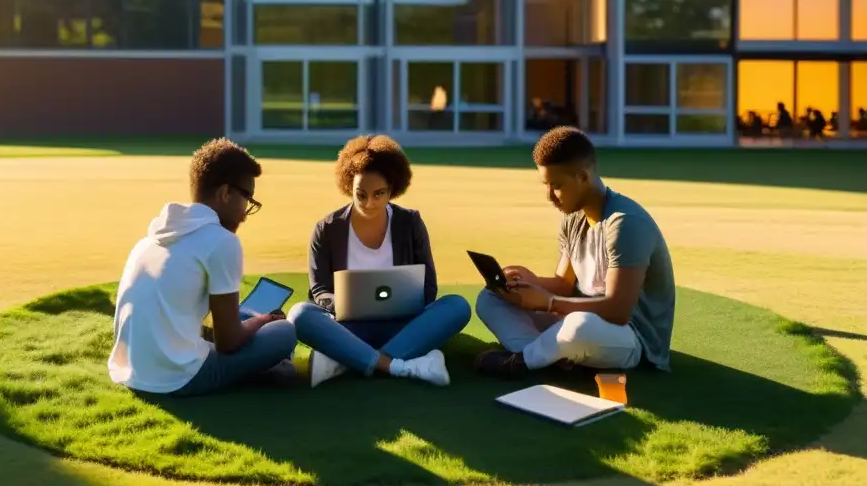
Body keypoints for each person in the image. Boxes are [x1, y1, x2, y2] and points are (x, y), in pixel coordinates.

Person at [475, 126, 675, 377]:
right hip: (578, 317)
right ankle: (551, 357)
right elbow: (564, 284)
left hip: (632, 339)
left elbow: (618, 311)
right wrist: (530, 281)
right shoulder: (574, 218)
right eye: (545, 185)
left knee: (579, 327)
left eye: (556, 185)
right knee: (490, 299)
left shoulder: (625, 223)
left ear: (583, 176)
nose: (549, 196)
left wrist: (548, 302)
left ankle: (526, 359)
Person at [108, 137, 297, 396]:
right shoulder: (223, 242)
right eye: (247, 199)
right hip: (178, 378)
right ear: (226, 193)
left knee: (243, 315)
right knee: (284, 332)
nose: (245, 213)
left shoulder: (152, 237)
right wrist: (264, 321)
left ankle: (271, 363)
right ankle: (273, 367)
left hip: (131, 371)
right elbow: (227, 343)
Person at [288, 135, 472, 387]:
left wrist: (404, 304)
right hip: (348, 326)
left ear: (392, 190)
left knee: (457, 306)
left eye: (379, 194)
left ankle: (345, 359)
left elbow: (429, 287)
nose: (369, 203)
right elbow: (319, 291)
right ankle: (400, 364)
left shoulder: (410, 223)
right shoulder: (327, 228)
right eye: (360, 194)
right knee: (300, 315)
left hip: (401, 324)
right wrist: (344, 304)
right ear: (348, 187)